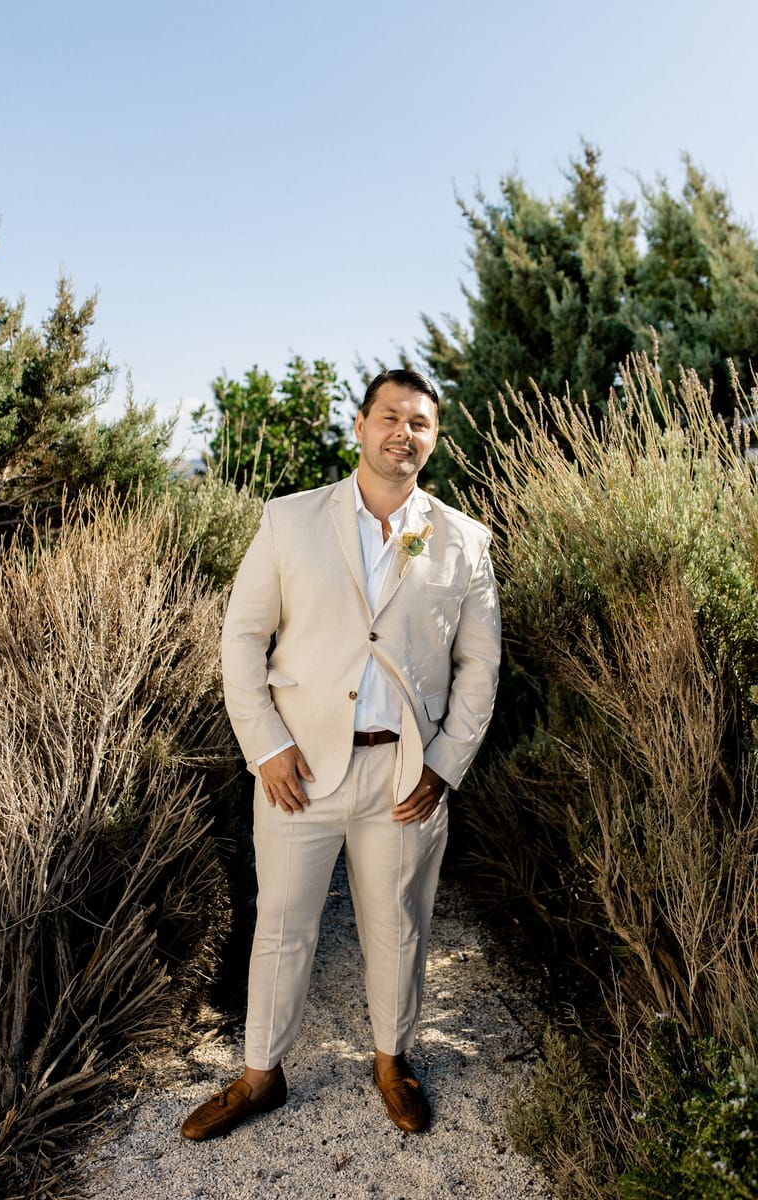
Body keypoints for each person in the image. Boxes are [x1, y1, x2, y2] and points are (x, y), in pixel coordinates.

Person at [181, 368, 501, 1141]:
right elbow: (241, 640)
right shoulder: (289, 521)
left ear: (433, 437)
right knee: (283, 925)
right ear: (359, 426)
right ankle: (261, 1073)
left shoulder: (464, 539)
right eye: (390, 417)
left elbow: (480, 667)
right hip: (301, 771)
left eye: (420, 423)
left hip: (406, 775)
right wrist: (266, 747)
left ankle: (392, 1061)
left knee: (399, 925)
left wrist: (445, 765)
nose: (405, 433)